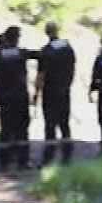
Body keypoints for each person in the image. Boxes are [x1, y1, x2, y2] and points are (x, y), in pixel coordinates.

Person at [0, 27, 35, 172]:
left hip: (6, 97)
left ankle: (4, 163)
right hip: (20, 97)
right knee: (22, 130)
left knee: (6, 130)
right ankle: (23, 162)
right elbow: (40, 55)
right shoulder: (21, 53)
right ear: (17, 39)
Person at [34, 21, 77, 165]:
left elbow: (41, 75)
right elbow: (73, 67)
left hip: (50, 92)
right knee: (65, 123)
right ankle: (67, 156)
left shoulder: (46, 51)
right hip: (65, 90)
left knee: (50, 125)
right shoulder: (68, 47)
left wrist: (36, 93)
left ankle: (49, 158)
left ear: (47, 33)